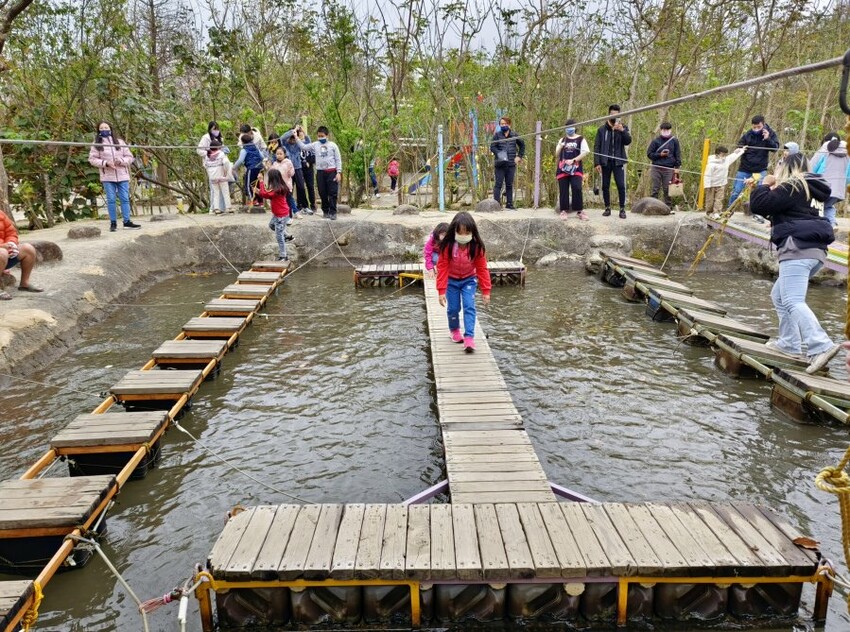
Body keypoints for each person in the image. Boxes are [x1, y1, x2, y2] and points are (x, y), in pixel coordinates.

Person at [749, 152, 840, 374]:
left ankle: (821, 345)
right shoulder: (814, 190)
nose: (777, 169)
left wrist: (764, 183)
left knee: (792, 300)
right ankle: (789, 342)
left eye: (780, 165)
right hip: (815, 251)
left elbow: (760, 205)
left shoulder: (794, 186)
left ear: (788, 168)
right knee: (779, 295)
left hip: (797, 248)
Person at [436, 212, 492, 353]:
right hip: (451, 280)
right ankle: (454, 330)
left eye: (466, 232)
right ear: (454, 231)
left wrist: (486, 291)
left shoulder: (476, 247)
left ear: (472, 232)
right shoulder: (448, 246)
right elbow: (442, 267)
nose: (463, 235)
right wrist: (441, 290)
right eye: (460, 232)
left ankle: (469, 337)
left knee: (469, 306)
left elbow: (482, 268)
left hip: (469, 280)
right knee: (453, 308)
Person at [88, 122, 141, 232]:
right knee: (111, 199)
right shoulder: (97, 144)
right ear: (98, 130)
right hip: (108, 176)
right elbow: (92, 159)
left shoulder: (120, 142)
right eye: (101, 128)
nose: (104, 129)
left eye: (106, 127)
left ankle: (127, 222)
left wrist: (120, 161)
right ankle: (113, 223)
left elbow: (130, 157)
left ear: (110, 128)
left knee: (125, 199)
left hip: (122, 175)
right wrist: (106, 163)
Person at [729, 115, 779, 222]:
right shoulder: (748, 134)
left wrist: (768, 139)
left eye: (758, 127)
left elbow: (775, 148)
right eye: (754, 127)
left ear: (763, 124)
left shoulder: (771, 133)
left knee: (761, 192)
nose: (756, 129)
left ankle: (759, 214)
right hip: (745, 168)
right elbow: (740, 144)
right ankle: (729, 211)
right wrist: (739, 148)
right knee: (736, 191)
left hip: (760, 169)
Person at [292, 126, 343, 220]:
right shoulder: (315, 144)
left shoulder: (333, 145)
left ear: (327, 135)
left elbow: (338, 159)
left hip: (332, 171)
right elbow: (304, 146)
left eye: (322, 136)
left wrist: (339, 172)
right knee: (322, 192)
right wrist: (296, 137)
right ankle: (325, 211)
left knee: (332, 193)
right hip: (320, 172)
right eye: (319, 136)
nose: (320, 138)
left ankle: (333, 212)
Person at [593, 104, 632, 219]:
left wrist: (622, 131)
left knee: (621, 185)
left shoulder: (623, 127)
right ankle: (607, 208)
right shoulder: (601, 130)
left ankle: (622, 209)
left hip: (618, 161)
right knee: (605, 186)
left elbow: (628, 141)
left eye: (617, 114)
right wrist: (597, 162)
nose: (614, 116)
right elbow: (597, 146)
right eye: (612, 114)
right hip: (605, 162)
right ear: (609, 114)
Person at [811, 132, 850, 227]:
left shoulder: (825, 148)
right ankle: (831, 223)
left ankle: (820, 225)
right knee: (828, 206)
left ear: (825, 140)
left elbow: (812, 166)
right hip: (838, 188)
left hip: (822, 185)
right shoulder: (847, 152)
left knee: (815, 205)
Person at [0, 212, 42, 299]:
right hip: (2, 253)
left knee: (28, 248)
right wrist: (2, 247)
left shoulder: (1, 214)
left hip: (4, 255)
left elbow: (11, 233)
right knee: (2, 252)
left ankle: (24, 284)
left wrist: (11, 244)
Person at [555, 118, 590, 220]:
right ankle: (563, 211)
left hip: (576, 168)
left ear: (575, 128)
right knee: (563, 190)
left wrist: (574, 160)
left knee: (577, 187)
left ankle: (579, 210)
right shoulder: (562, 140)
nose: (569, 129)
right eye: (567, 127)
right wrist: (560, 147)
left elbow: (586, 151)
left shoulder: (581, 139)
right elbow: (556, 154)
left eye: (571, 127)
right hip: (563, 168)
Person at [489, 116, 525, 209]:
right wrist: (499, 153)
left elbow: (522, 146)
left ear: (509, 124)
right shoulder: (497, 135)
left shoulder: (514, 135)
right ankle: (496, 205)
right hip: (500, 164)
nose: (504, 125)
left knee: (509, 184)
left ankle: (509, 204)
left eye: (505, 124)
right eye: (502, 124)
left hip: (511, 164)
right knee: (498, 184)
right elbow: (492, 147)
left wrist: (519, 156)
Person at [257, 169, 292, 261]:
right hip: (280, 214)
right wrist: (259, 191)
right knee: (271, 225)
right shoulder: (279, 187)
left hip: (280, 216)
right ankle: (287, 235)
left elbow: (265, 194)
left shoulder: (277, 189)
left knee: (279, 236)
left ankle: (283, 256)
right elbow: (265, 194)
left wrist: (261, 182)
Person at [646, 122, 682, 210]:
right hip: (656, 168)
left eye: (667, 130)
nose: (665, 131)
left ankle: (668, 207)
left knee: (667, 189)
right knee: (655, 188)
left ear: (670, 130)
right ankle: (652, 207)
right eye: (664, 130)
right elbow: (649, 154)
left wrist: (677, 167)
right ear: (660, 130)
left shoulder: (674, 141)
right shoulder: (656, 141)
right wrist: (659, 155)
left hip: (669, 168)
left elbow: (678, 154)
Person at [702, 145, 744, 218]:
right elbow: (707, 175)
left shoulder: (726, 160)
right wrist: (707, 186)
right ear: (717, 154)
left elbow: (733, 156)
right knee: (710, 200)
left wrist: (741, 150)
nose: (724, 156)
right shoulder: (711, 164)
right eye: (723, 154)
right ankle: (709, 212)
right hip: (711, 185)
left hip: (721, 184)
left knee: (719, 199)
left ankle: (716, 212)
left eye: (725, 155)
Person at [281, 125, 313, 214]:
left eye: (293, 138)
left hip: (298, 168)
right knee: (288, 189)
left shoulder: (298, 144)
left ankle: (304, 206)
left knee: (301, 188)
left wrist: (303, 132)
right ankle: (289, 208)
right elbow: (281, 138)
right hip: (288, 170)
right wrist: (293, 131)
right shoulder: (285, 144)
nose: (292, 140)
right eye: (290, 138)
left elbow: (308, 142)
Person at [232, 133, 265, 206]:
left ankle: (253, 200)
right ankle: (260, 201)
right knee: (259, 184)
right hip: (260, 168)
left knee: (249, 185)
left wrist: (234, 167)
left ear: (243, 142)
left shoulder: (244, 150)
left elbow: (240, 160)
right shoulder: (256, 147)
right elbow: (262, 157)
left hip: (251, 168)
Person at [268, 146, 299, 225]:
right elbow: (271, 173)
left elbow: (292, 173)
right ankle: (278, 217)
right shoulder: (274, 164)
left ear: (284, 154)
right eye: (277, 154)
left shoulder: (288, 162)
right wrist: (268, 167)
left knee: (288, 201)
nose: (279, 155)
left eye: (281, 154)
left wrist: (290, 171)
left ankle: (290, 217)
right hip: (277, 187)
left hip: (286, 186)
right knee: (279, 202)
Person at [204, 139, 233, 214]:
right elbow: (226, 162)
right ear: (218, 147)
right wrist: (226, 171)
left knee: (216, 193)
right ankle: (228, 208)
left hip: (212, 177)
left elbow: (205, 165)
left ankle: (216, 208)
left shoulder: (207, 155)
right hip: (221, 176)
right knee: (225, 191)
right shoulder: (221, 154)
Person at [299, 127, 317, 213]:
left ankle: (313, 204)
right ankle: (303, 204)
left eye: (302, 132)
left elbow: (314, 156)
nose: (301, 134)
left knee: (310, 186)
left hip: (309, 169)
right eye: (299, 133)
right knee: (301, 187)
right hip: (300, 168)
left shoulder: (310, 143)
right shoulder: (296, 144)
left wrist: (309, 161)